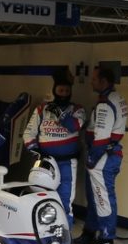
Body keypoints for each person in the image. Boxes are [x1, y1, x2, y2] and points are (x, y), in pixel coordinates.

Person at [21, 68, 86, 223]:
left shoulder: (78, 109)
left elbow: (74, 126)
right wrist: (36, 151)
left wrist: (60, 114)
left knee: (65, 199)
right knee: (42, 196)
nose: (63, 93)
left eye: (66, 90)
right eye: (60, 90)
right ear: (54, 90)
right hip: (45, 162)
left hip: (68, 162)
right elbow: (28, 134)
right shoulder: (42, 109)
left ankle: (65, 233)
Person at [81, 65, 128, 244]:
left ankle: (106, 238)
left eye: (94, 79)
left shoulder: (105, 104)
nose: (91, 82)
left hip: (103, 158)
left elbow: (100, 139)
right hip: (109, 155)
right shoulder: (118, 98)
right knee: (94, 197)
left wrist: (91, 159)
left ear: (103, 81)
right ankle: (90, 232)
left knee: (103, 199)